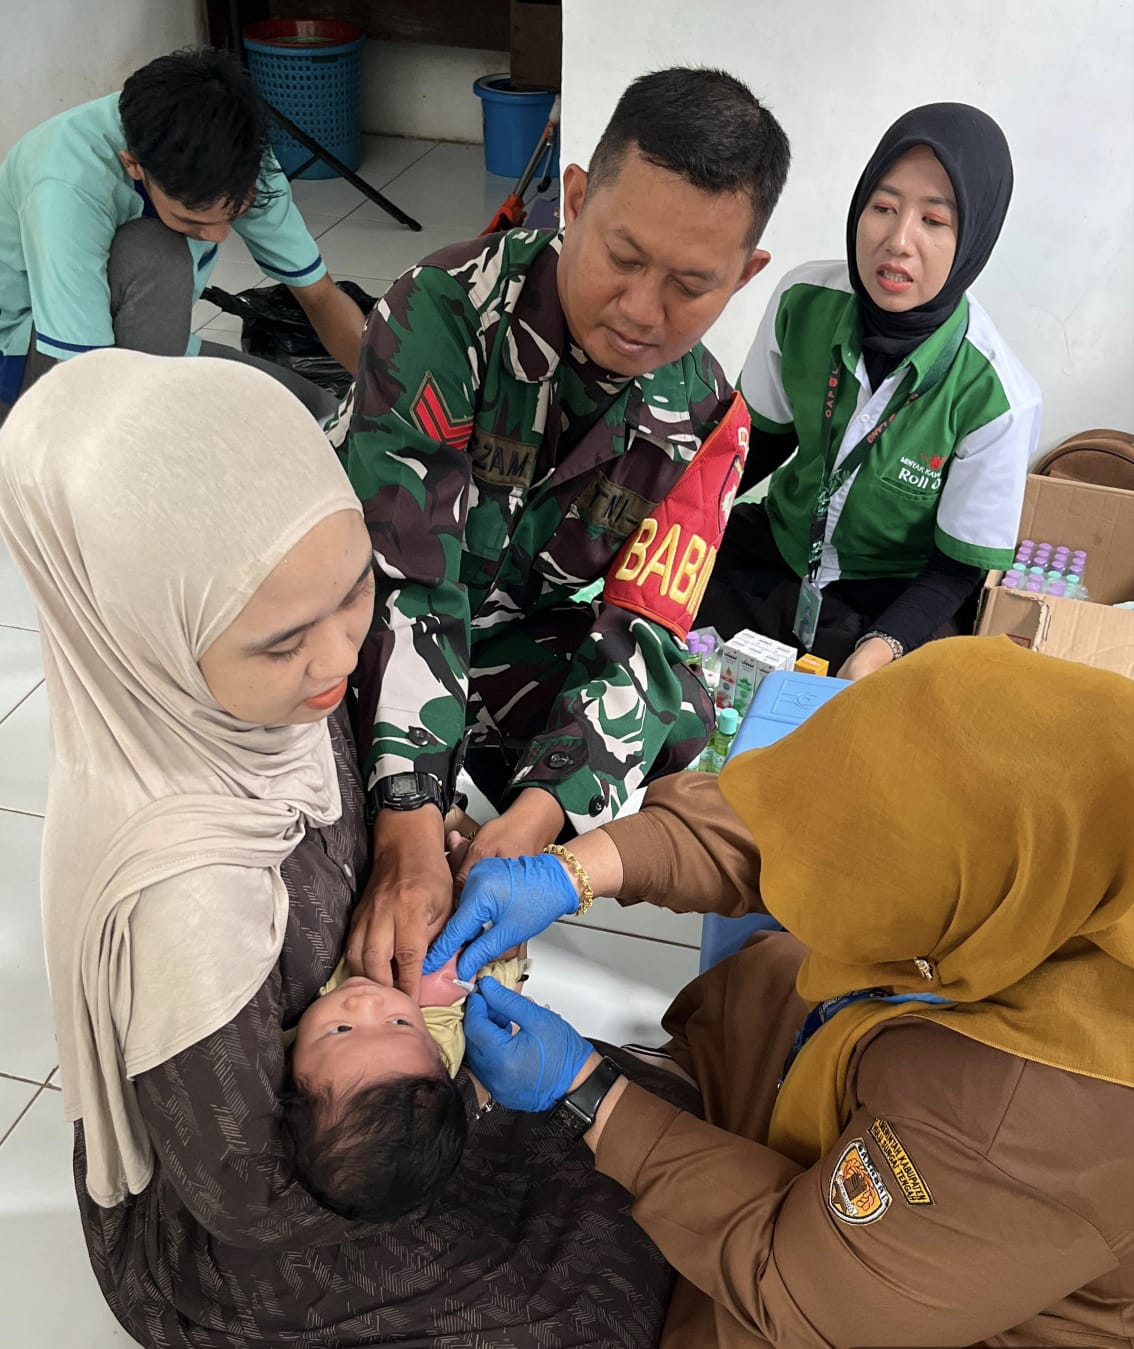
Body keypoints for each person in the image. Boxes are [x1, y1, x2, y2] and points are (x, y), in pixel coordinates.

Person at [0, 348, 699, 1348]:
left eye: (355, 592)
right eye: (285, 640)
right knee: (585, 1289)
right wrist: (445, 1103)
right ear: (146, 632)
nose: (339, 657)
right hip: (291, 1196)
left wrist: (433, 856)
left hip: (389, 1085)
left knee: (654, 1151)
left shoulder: (260, 700)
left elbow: (365, 820)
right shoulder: (186, 906)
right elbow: (248, 1195)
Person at [428, 637, 1134, 1348]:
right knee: (771, 971)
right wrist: (573, 871)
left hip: (893, 1281)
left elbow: (802, 1287)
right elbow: (798, 816)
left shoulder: (1032, 1128)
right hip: (880, 1077)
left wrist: (587, 1091)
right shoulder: (1068, 805)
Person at [336, 66, 791, 999]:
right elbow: (408, 582)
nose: (642, 310)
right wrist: (408, 818)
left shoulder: (709, 419)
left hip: (500, 629)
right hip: (364, 611)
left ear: (745, 276)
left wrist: (541, 816)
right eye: (623, 257)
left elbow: (645, 632)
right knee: (325, 789)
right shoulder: (444, 310)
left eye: (691, 286)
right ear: (575, 199)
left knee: (679, 712)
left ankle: (489, 840)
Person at [697, 103, 1042, 679]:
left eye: (934, 220)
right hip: (778, 552)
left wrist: (879, 649)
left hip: (891, 595)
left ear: (975, 236)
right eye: (883, 208)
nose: (898, 241)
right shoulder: (803, 298)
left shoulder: (999, 398)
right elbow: (753, 446)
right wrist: (675, 527)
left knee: (884, 707)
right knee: (662, 635)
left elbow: (955, 570)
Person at [0, 47, 365, 423]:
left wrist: (382, 400)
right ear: (133, 165)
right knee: (156, 254)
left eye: (235, 215)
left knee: (322, 417)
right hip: (35, 357)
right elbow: (84, 377)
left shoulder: (236, 148)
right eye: (192, 222)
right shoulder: (66, 186)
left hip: (133, 351)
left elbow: (320, 295)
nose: (218, 236)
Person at [282, 948, 529, 1223]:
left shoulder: (277, 1038)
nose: (367, 1001)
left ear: (290, 1067)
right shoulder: (433, 1048)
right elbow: (501, 974)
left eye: (341, 1029)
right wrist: (506, 975)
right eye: (399, 1023)